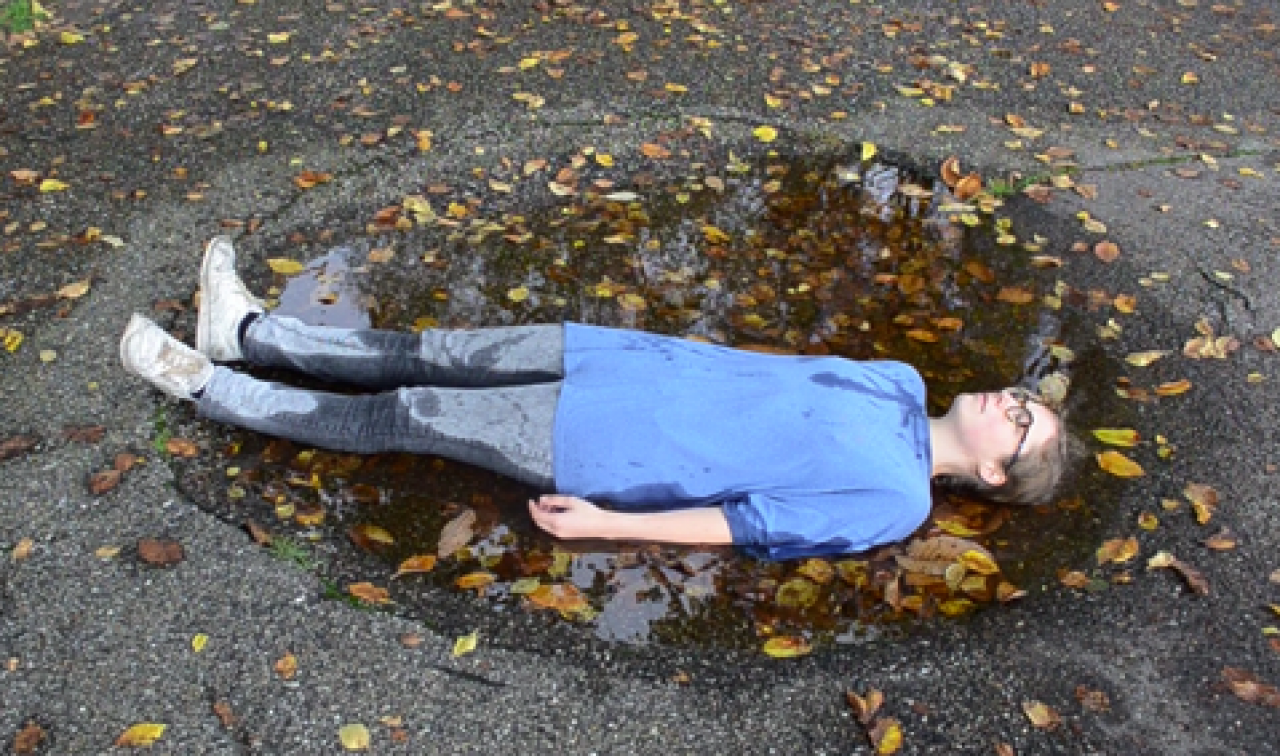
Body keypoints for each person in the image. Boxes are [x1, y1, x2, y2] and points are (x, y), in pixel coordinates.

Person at [120, 237, 1068, 560]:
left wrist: (610, 524)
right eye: (1024, 399)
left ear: (994, 473)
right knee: (429, 350)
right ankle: (250, 335)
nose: (1009, 402)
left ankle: (209, 386)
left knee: (405, 412)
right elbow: (766, 369)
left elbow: (748, 524)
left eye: (1022, 426)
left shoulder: (895, 501)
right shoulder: (902, 383)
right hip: (620, 358)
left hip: (603, 444)